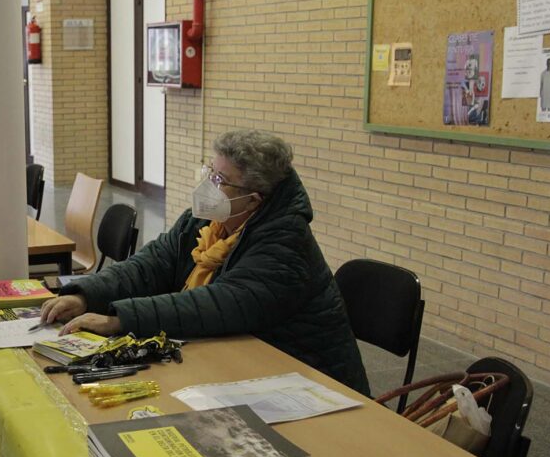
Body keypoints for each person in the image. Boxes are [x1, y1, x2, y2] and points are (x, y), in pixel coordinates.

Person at [39, 129, 370, 396]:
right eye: (210, 171)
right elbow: (150, 265)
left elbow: (218, 304)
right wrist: (85, 295)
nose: (207, 185)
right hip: (240, 362)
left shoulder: (285, 243)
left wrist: (119, 319)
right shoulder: (206, 221)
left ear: (254, 200)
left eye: (220, 180)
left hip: (309, 386)